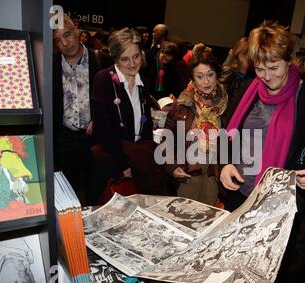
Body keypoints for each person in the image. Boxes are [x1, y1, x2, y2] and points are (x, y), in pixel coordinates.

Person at [219, 21, 305, 283]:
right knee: (229, 270)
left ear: (290, 60)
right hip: (239, 196)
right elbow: (226, 134)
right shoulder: (247, 89)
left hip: (278, 207)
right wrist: (225, 163)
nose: (267, 76)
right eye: (260, 69)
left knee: (263, 278)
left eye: (274, 68)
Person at [90, 28, 168, 196]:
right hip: (114, 162)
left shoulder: (143, 83)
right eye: (125, 59)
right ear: (115, 58)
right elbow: (105, 130)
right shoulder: (103, 80)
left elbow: (145, 123)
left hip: (139, 159)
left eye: (136, 56)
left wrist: (145, 152)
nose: (132, 64)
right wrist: (123, 166)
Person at [52, 14, 112, 205]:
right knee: (67, 195)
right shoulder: (51, 65)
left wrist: (100, 118)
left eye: (67, 34)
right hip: (64, 139)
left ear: (77, 29)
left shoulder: (102, 60)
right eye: (58, 41)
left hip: (95, 138)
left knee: (95, 193)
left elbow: (115, 99)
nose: (65, 43)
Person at [160, 44, 228, 205]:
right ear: (192, 78)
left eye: (210, 75)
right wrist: (172, 166)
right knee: (182, 219)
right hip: (188, 173)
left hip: (214, 174)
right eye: (200, 76)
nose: (206, 81)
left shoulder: (228, 104)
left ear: (217, 75)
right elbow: (166, 141)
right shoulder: (182, 104)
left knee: (207, 221)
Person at [219, 37, 254, 126]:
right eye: (245, 54)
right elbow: (220, 97)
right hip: (225, 120)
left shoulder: (252, 76)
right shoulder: (230, 71)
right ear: (238, 55)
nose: (248, 58)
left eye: (250, 55)